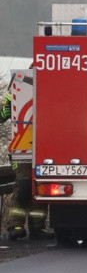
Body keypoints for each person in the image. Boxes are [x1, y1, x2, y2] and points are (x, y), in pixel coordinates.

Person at [1, 88, 52, 240]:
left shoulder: (51, 87)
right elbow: (2, 115)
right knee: (24, 186)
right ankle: (15, 226)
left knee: (41, 186)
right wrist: (8, 105)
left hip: (46, 148)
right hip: (22, 148)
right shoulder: (17, 88)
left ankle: (37, 227)